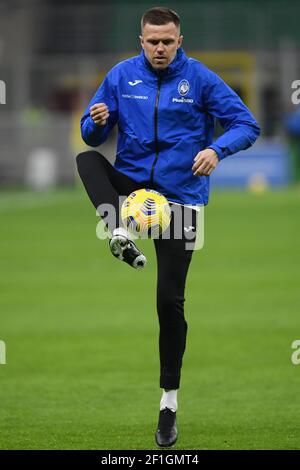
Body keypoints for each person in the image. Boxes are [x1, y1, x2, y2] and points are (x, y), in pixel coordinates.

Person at [76, 6, 260, 447]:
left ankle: (168, 403)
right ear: (141, 41)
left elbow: (246, 124)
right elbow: (90, 137)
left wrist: (217, 150)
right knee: (87, 162)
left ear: (180, 40)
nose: (159, 48)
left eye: (167, 41)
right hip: (137, 193)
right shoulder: (121, 76)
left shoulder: (199, 79)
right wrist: (94, 123)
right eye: (152, 41)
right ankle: (119, 229)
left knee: (169, 303)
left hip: (182, 202)